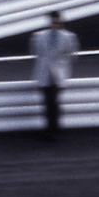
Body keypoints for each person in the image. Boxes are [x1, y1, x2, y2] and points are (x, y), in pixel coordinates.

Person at [30, 11, 79, 140]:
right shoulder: (38, 36)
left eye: (57, 21)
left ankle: (53, 130)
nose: (55, 23)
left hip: (58, 75)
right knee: (49, 103)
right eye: (53, 21)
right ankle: (52, 129)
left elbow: (72, 54)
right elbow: (35, 52)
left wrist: (61, 66)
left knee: (52, 102)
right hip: (44, 74)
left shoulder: (68, 37)